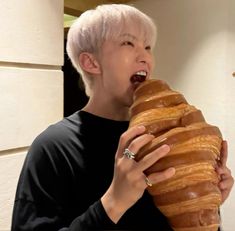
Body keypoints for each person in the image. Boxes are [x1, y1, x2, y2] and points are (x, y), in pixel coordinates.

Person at [11, 4, 234, 231]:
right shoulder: (53, 147)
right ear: (91, 62)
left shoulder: (161, 135)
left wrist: (203, 206)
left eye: (148, 47)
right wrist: (114, 202)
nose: (145, 57)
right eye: (128, 43)